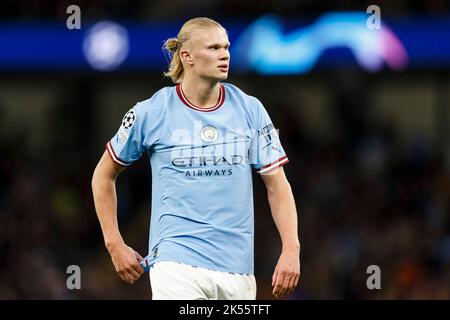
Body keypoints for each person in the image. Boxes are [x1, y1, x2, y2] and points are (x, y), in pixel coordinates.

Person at [91, 17, 300, 300]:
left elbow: (277, 186)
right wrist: (114, 244)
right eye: (214, 48)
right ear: (187, 56)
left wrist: (291, 249)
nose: (224, 54)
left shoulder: (251, 110)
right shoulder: (150, 113)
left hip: (238, 271)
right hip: (176, 264)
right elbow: (103, 175)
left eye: (226, 47)